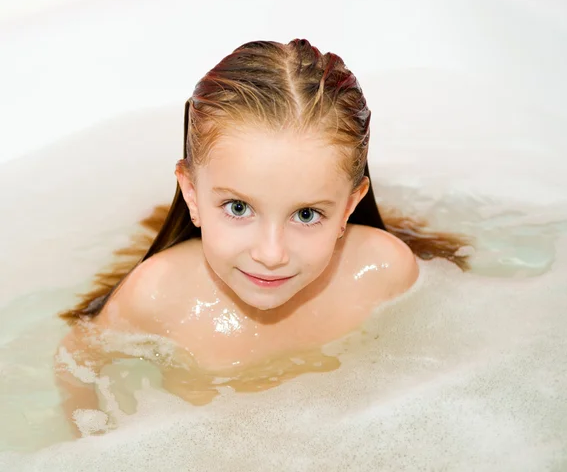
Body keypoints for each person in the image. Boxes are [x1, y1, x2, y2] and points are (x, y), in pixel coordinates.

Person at [54, 39, 469, 435]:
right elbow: (77, 359)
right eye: (238, 208)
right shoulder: (159, 294)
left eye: (306, 215)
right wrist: (93, 437)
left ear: (349, 206)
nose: (271, 254)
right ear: (192, 194)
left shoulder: (382, 271)